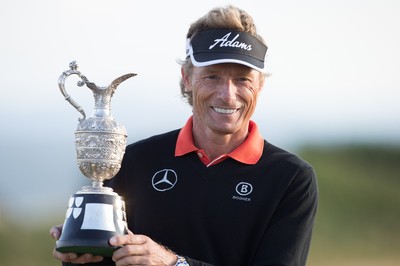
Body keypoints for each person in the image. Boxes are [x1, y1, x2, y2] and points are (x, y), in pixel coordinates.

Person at [50, 5, 318, 266]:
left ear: (260, 85)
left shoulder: (290, 178)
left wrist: (173, 264)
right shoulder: (135, 160)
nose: (227, 94)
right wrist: (84, 254)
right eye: (212, 76)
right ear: (187, 78)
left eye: (242, 79)